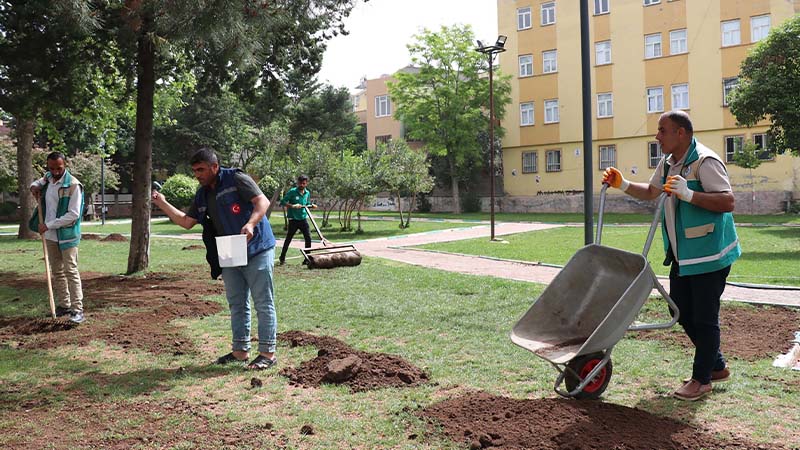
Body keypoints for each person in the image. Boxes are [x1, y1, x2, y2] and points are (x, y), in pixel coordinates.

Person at [602, 110, 740, 401]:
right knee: (679, 310)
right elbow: (652, 191)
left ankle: (702, 380)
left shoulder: (705, 161)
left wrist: (689, 193)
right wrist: (622, 183)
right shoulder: (667, 163)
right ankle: (715, 365)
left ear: (681, 133)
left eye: (662, 130)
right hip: (683, 256)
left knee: (704, 318)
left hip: (710, 254)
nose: (657, 136)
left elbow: (727, 201)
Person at [151, 148, 278, 370]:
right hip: (229, 249)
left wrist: (251, 223)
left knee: (262, 302)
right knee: (237, 303)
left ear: (214, 167)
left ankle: (267, 353)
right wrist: (161, 202)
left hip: (257, 247)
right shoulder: (203, 194)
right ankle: (240, 351)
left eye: (201, 169)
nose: (197, 175)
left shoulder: (236, 178)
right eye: (194, 171)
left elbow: (262, 202)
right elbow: (186, 221)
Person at [29, 152, 86, 324]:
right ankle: (64, 305)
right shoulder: (48, 178)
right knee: (57, 272)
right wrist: (34, 186)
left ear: (65, 165)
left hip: (67, 235)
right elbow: (37, 182)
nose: (55, 172)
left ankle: (77, 310)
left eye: (58, 168)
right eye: (51, 168)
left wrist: (49, 225)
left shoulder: (74, 185)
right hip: (51, 236)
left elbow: (73, 214)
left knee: (71, 271)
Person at [278, 174, 316, 265]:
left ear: (306, 184)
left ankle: (307, 258)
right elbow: (282, 202)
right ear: (297, 183)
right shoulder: (292, 192)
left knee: (308, 238)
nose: (302, 185)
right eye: (300, 183)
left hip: (303, 219)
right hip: (293, 219)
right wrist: (292, 206)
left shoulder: (307, 193)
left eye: (304, 183)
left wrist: (311, 206)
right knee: (289, 239)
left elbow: (306, 204)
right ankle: (282, 257)